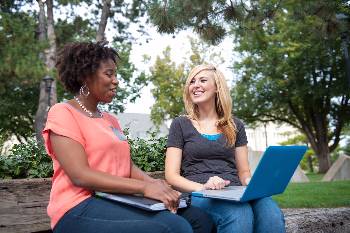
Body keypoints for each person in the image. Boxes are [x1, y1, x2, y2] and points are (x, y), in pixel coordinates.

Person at [42, 41, 215, 233]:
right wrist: (144, 188)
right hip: (77, 206)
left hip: (116, 198)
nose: (116, 80)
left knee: (200, 220)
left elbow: (127, 166)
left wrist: (156, 184)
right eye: (109, 74)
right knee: (173, 227)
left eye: (115, 74)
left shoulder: (110, 120)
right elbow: (80, 175)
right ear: (85, 76)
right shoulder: (63, 112)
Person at [165, 64, 286, 233]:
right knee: (238, 213)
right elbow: (171, 176)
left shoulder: (235, 125)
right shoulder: (180, 124)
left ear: (217, 88)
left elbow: (243, 172)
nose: (195, 85)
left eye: (202, 80)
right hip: (199, 193)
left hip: (234, 190)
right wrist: (204, 187)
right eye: (192, 81)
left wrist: (252, 185)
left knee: (271, 214)